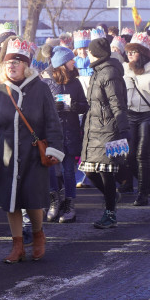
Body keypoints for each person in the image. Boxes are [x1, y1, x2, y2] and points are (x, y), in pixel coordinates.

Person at [0, 39, 64, 262]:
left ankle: (38, 235)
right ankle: (17, 246)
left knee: (32, 200)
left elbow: (53, 122)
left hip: (33, 155)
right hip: (6, 156)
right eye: (8, 63)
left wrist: (54, 148)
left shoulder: (41, 89)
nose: (11, 66)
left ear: (26, 65)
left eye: (16, 62)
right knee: (11, 202)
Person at [78, 36, 129, 229]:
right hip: (94, 130)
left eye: (89, 52)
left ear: (94, 54)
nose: (87, 55)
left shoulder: (109, 73)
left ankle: (110, 214)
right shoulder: (98, 72)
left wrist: (124, 129)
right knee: (88, 169)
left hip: (110, 131)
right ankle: (112, 196)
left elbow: (118, 104)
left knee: (107, 172)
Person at [121, 34, 150, 206]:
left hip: (148, 115)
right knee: (130, 156)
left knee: (143, 155)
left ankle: (143, 193)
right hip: (130, 115)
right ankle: (144, 181)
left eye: (134, 52)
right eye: (129, 52)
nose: (131, 55)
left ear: (142, 53)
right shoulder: (124, 70)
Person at [41, 46, 88, 223]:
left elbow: (85, 105)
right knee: (51, 170)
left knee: (69, 171)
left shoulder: (75, 83)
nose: (73, 62)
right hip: (52, 133)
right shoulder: (46, 83)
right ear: (61, 63)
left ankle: (69, 204)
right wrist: (54, 107)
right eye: (70, 59)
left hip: (70, 132)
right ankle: (54, 200)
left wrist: (75, 106)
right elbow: (40, 109)